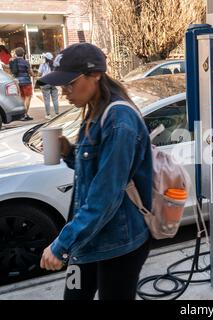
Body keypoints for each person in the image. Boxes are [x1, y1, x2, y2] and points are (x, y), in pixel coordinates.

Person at [38, 43, 153, 300]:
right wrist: (69, 152)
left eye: (69, 83)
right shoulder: (95, 111)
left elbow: (106, 196)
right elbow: (94, 175)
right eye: (60, 86)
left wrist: (61, 244)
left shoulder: (119, 120)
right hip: (88, 238)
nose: (64, 91)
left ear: (95, 75)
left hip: (118, 244)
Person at [9, 47, 34, 120]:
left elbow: (11, 72)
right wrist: (34, 74)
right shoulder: (25, 62)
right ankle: (25, 114)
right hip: (26, 82)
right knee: (28, 97)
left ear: (16, 54)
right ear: (23, 54)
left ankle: (22, 115)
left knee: (22, 98)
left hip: (17, 82)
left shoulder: (13, 61)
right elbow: (31, 73)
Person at [38, 52, 59, 119]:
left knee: (47, 99)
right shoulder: (55, 64)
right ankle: (57, 113)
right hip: (53, 82)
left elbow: (39, 74)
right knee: (55, 99)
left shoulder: (42, 64)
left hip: (45, 82)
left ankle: (48, 115)